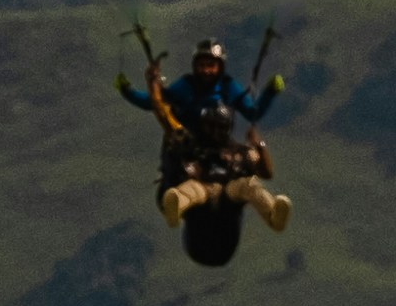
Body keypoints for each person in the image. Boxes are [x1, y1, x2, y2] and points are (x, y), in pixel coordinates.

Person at [126, 30, 300, 267]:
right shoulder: (188, 142)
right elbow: (157, 104)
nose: (207, 71)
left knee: (248, 187)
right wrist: (136, 89)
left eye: (212, 66)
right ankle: (175, 206)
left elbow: (263, 165)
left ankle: (273, 214)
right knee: (193, 190)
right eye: (203, 65)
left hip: (228, 204)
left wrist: (259, 141)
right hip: (202, 205)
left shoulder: (236, 148)